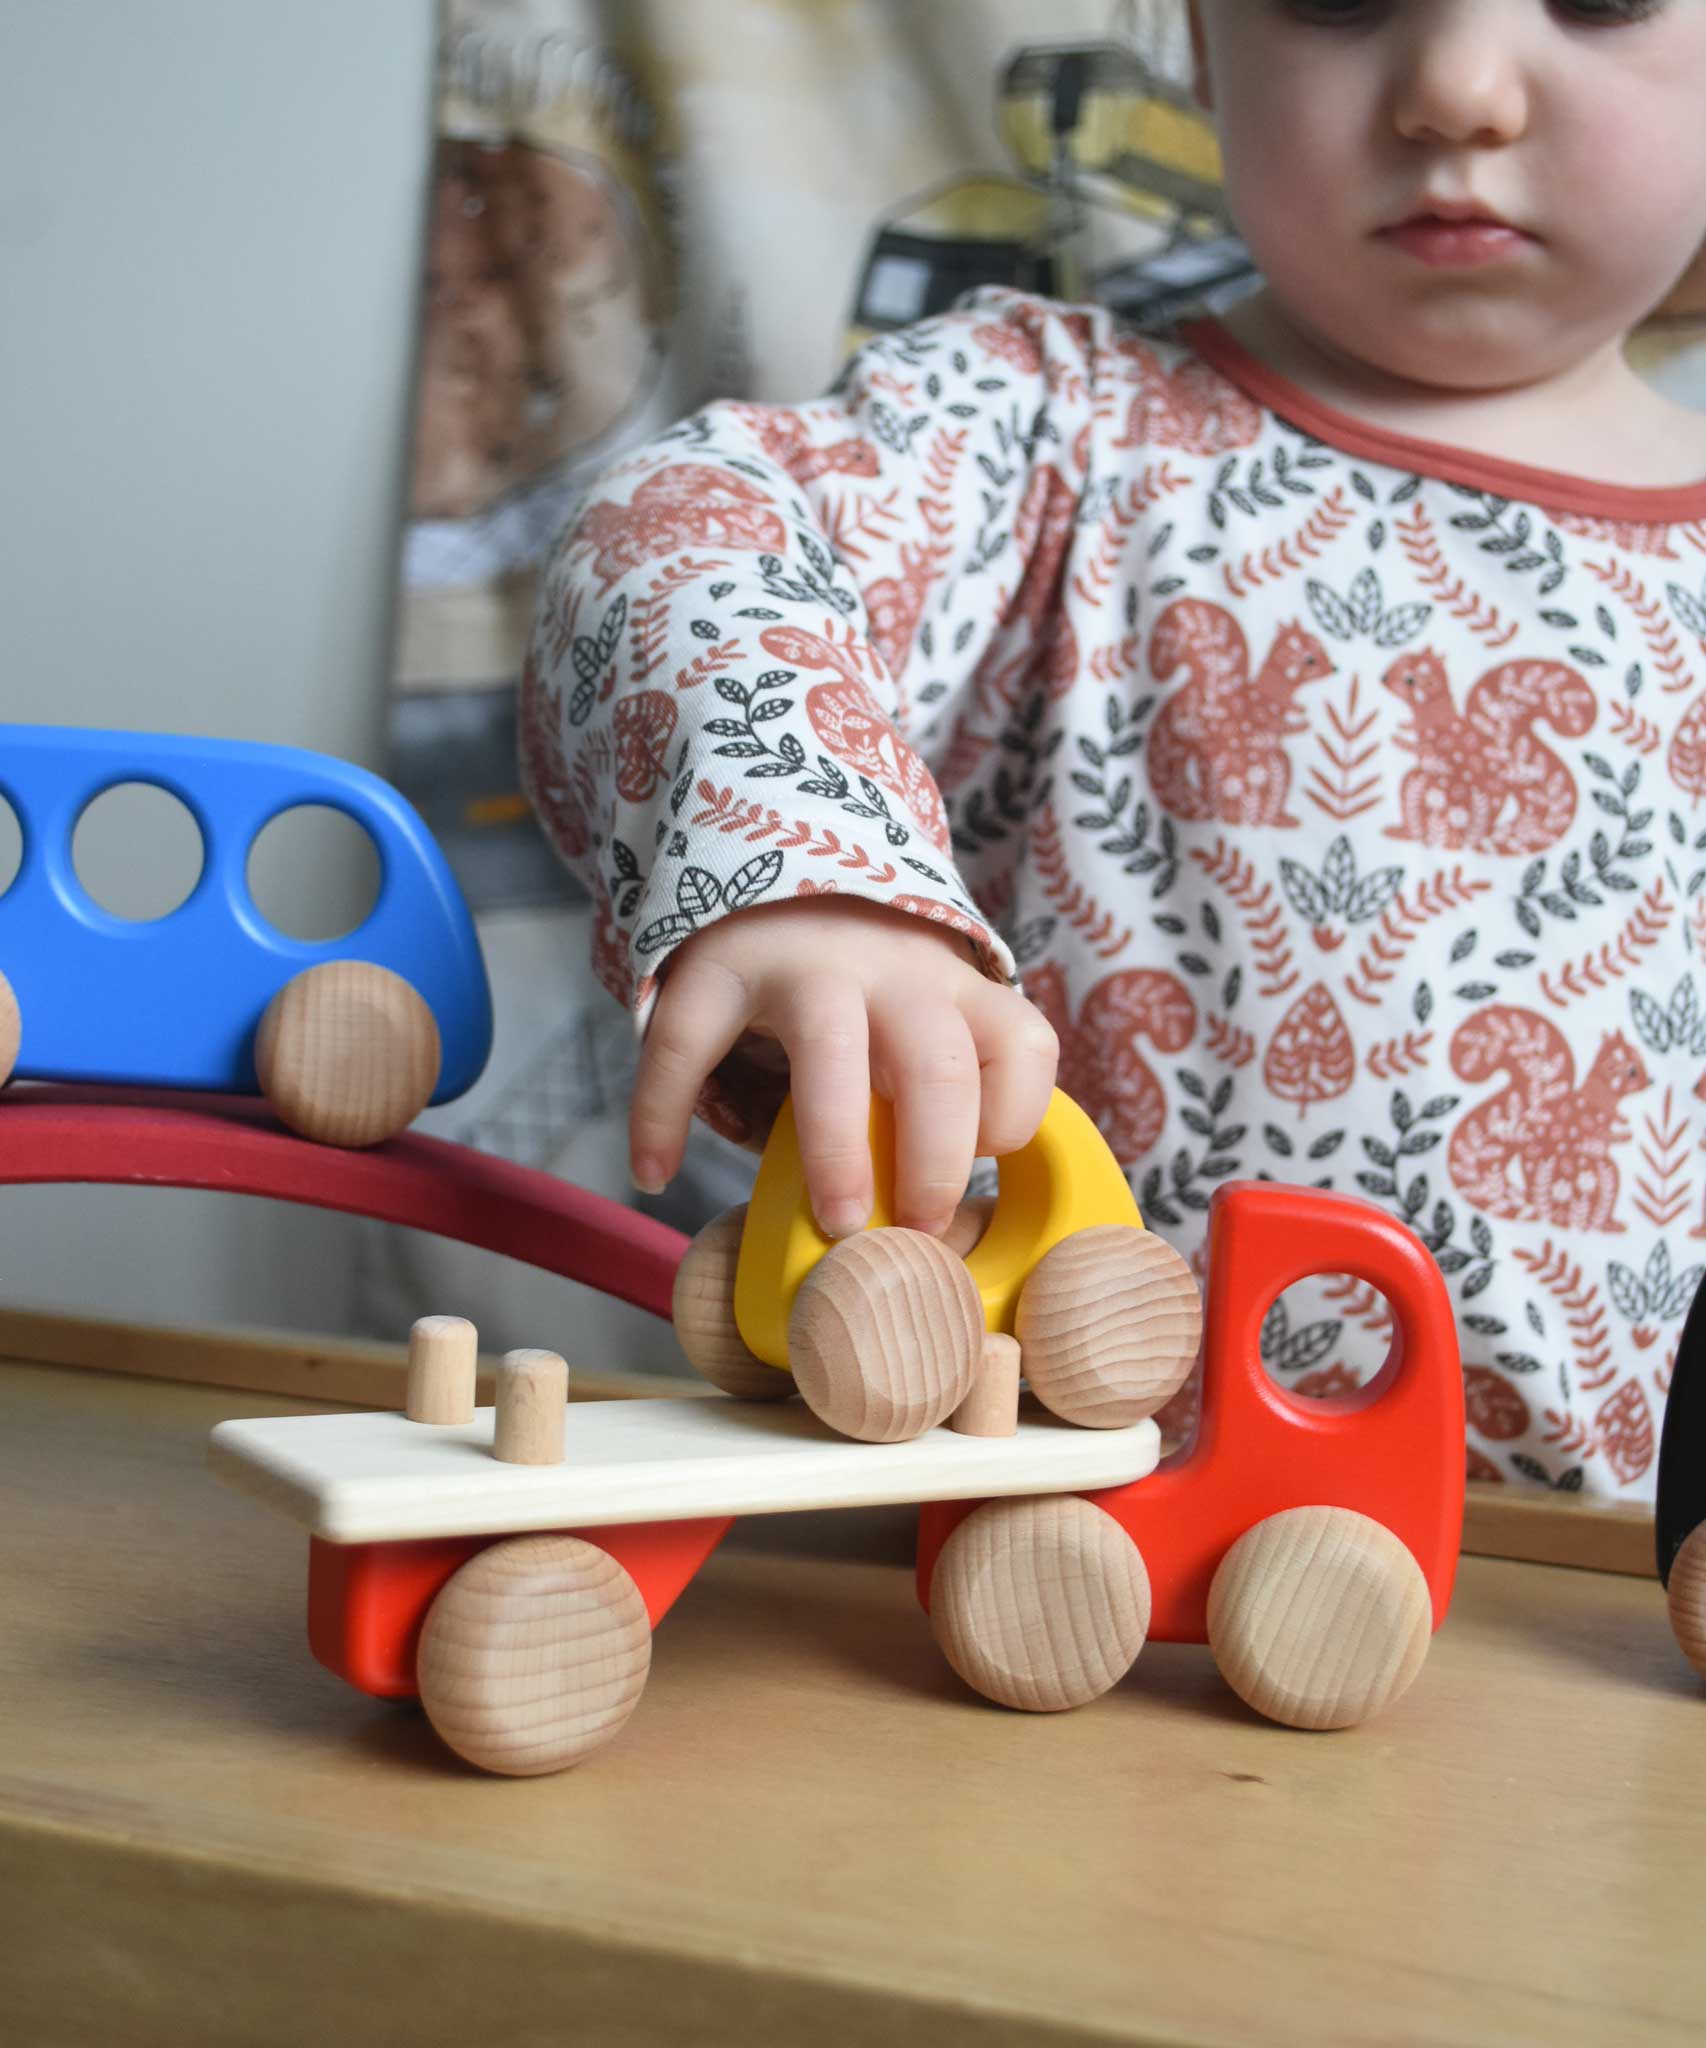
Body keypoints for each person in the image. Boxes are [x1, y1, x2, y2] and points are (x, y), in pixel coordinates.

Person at [520, 0, 1706, 1498]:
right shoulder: (1052, 435)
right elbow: (684, 532)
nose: (1455, 91)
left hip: (1611, 1638)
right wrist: (806, 861)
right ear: (1205, 48)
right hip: (1078, 1557)